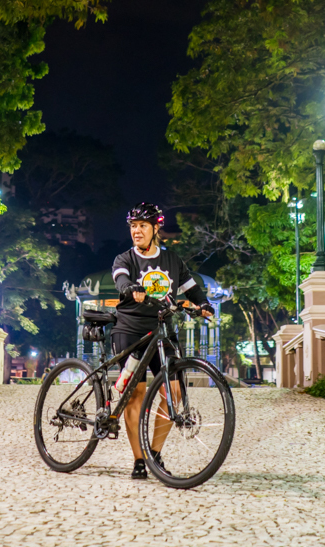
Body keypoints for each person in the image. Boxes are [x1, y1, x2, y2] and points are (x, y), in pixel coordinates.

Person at [111, 202, 213, 479]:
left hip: (163, 331)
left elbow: (191, 288)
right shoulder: (125, 259)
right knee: (136, 394)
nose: (137, 231)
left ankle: (154, 453)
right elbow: (120, 279)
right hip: (131, 329)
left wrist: (202, 305)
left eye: (142, 225)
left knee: (175, 393)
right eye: (133, 226)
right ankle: (139, 460)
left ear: (156, 228)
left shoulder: (172, 260)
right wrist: (131, 288)